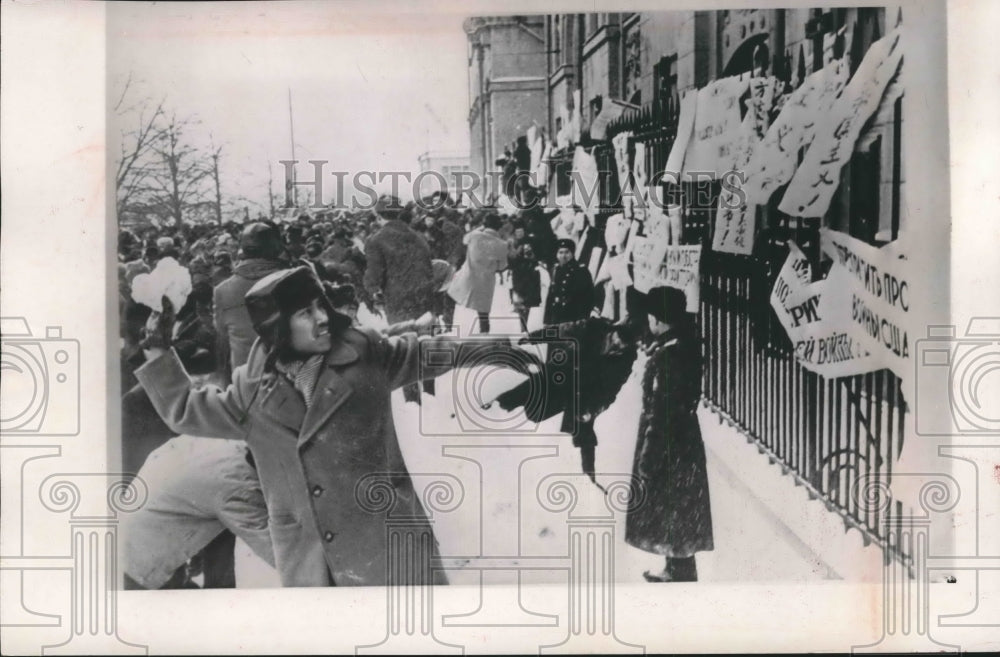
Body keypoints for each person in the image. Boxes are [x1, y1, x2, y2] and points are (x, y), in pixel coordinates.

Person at [134, 265, 537, 587]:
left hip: (384, 544)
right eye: (305, 313)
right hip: (313, 560)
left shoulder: (365, 355)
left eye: (320, 306)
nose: (322, 319)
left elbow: (429, 351)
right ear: (278, 326)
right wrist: (157, 346)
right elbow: (185, 408)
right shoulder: (251, 390)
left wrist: (497, 349)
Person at [626, 286, 714, 583]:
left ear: (659, 319)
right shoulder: (682, 345)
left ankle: (682, 577)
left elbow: (662, 412)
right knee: (677, 508)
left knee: (674, 505)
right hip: (683, 440)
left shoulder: (669, 356)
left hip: (669, 442)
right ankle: (673, 569)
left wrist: (649, 457)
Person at [121, 435, 275, 590]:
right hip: (137, 573)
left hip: (123, 539)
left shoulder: (221, 439)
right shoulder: (238, 486)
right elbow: (282, 557)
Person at [213, 222, 286, 384]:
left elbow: (223, 347)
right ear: (276, 249)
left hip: (244, 386)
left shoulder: (222, 291)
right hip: (290, 385)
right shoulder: (291, 280)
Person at [447, 213, 509, 334]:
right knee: (483, 313)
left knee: (450, 298)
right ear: (499, 227)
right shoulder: (502, 245)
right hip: (485, 281)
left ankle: (447, 327)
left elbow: (464, 240)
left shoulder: (474, 236)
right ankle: (484, 334)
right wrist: (492, 265)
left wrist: (479, 228)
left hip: (467, 277)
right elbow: (503, 266)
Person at [544, 238, 595, 325]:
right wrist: (547, 320)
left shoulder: (580, 270)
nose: (563, 256)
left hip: (573, 317)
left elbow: (588, 296)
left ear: (572, 253)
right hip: (557, 317)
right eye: (560, 252)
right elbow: (551, 297)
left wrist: (583, 318)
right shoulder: (556, 270)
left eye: (567, 252)